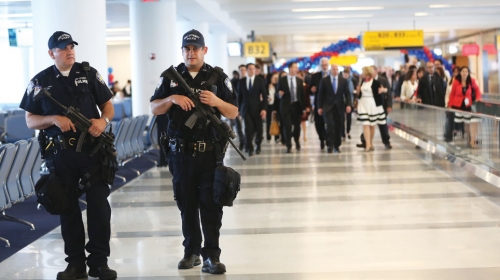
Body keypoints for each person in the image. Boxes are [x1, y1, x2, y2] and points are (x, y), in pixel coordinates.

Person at [19, 31, 117, 280]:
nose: (70, 50)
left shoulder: (88, 74)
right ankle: (75, 265)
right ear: (52, 53)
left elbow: (108, 105)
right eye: (63, 48)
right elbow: (30, 120)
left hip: (92, 152)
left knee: (99, 208)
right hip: (61, 156)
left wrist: (103, 121)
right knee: (68, 210)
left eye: (72, 46)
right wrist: (53, 118)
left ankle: (99, 262)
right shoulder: (40, 82)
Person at [150, 29, 238, 274]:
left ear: (204, 50)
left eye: (196, 48)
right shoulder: (170, 77)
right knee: (186, 203)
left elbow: (233, 112)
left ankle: (212, 255)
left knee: (211, 204)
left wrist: (217, 102)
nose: (191, 53)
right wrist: (173, 99)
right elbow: (155, 107)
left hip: (210, 153)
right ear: (182, 51)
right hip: (181, 154)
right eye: (187, 49)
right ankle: (191, 252)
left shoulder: (218, 77)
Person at [317, 64, 352, 153]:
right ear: (330, 70)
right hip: (327, 107)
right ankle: (330, 144)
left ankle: (337, 145)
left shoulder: (343, 80)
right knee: (329, 125)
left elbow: (347, 93)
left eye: (337, 69)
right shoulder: (324, 80)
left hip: (339, 106)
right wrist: (319, 107)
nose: (335, 71)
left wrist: (348, 105)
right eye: (334, 69)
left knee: (338, 126)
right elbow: (320, 94)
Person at [237, 63, 268, 156]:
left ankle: (258, 145)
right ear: (246, 70)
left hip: (258, 109)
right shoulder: (241, 82)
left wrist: (264, 109)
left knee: (259, 129)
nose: (252, 70)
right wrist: (238, 109)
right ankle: (249, 147)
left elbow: (265, 96)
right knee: (248, 129)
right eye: (250, 69)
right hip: (245, 109)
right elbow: (239, 97)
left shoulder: (260, 80)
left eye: (253, 69)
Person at [275, 62, 306, 153]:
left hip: (296, 106)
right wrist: (279, 94)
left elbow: (302, 95)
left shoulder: (299, 80)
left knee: (297, 126)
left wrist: (304, 108)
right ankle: (288, 145)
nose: (296, 69)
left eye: (297, 67)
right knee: (287, 126)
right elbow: (277, 93)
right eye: (295, 67)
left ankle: (297, 141)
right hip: (285, 106)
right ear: (290, 68)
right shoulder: (282, 80)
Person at [447, 66, 481, 148]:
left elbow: (477, 90)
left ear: (468, 73)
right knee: (461, 122)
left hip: (468, 104)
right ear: (460, 72)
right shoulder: (456, 81)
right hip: (457, 104)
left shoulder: (471, 81)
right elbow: (452, 93)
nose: (464, 73)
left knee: (469, 121)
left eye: (466, 71)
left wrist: (478, 98)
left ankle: (471, 139)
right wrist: (450, 104)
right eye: (463, 71)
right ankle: (463, 137)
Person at [356, 66, 386, 152]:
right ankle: (367, 144)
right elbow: (359, 94)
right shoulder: (362, 82)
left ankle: (370, 142)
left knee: (372, 125)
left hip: (373, 104)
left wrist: (383, 90)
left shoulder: (375, 82)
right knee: (365, 124)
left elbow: (384, 89)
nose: (362, 74)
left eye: (363, 72)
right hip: (363, 103)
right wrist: (358, 91)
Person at [309, 57, 329, 149]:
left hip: (329, 103)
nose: (324, 67)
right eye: (323, 65)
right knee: (318, 122)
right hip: (319, 102)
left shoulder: (332, 75)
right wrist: (312, 90)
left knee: (329, 122)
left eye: (326, 65)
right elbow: (310, 89)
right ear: (320, 66)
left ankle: (328, 138)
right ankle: (321, 138)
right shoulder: (315, 76)